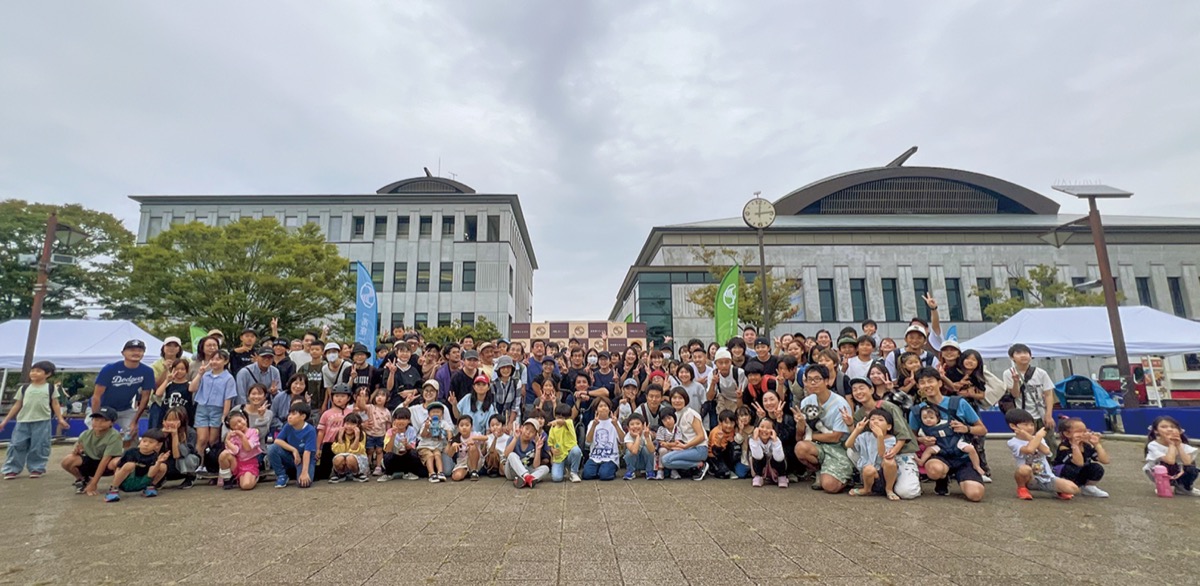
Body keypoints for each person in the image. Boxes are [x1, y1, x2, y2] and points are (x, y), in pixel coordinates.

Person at [908, 367, 988, 501]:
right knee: (934, 470)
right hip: (939, 455)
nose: (927, 385)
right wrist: (921, 440)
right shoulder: (917, 411)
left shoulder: (959, 403)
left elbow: (982, 430)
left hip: (963, 456)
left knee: (975, 495)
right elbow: (911, 437)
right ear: (918, 387)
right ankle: (942, 478)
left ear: (939, 383)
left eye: (930, 381)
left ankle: (964, 475)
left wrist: (966, 429)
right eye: (922, 382)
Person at [842, 377, 921, 499]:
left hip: (900, 452)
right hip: (876, 454)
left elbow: (903, 433)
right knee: (851, 451)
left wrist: (893, 451)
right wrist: (850, 424)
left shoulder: (888, 406)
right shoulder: (859, 414)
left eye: (862, 388)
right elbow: (855, 439)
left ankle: (898, 479)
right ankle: (872, 481)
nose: (858, 392)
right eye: (855, 389)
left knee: (907, 492)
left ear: (871, 390)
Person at [1, 360, 68, 479]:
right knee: (16, 444)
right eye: (32, 370)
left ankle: (37, 468)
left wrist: (60, 419)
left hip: (42, 421)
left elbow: (55, 404)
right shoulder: (24, 388)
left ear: (48, 374)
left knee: (39, 445)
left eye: (38, 371)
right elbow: (17, 405)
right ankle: (12, 469)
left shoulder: (50, 388)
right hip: (23, 421)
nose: (34, 373)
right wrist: (5, 421)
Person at [794, 364, 853, 494]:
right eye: (809, 379)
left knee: (830, 486)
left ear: (827, 381)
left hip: (838, 447)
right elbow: (799, 437)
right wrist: (801, 424)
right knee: (800, 448)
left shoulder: (840, 404)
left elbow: (836, 437)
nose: (812, 383)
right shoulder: (806, 402)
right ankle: (818, 471)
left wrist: (810, 437)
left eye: (817, 379)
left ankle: (849, 474)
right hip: (818, 445)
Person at [92, 339, 157, 448]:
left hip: (124, 409)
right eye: (132, 350)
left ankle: (129, 456)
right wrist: (96, 417)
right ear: (123, 353)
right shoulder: (110, 369)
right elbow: (96, 396)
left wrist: (135, 421)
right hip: (102, 408)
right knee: (97, 433)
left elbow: (145, 397)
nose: (136, 353)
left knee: (131, 432)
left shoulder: (147, 371)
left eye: (139, 350)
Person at [1006, 408, 1078, 500]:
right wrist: (1037, 436)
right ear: (1013, 426)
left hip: (1047, 477)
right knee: (1024, 469)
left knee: (1073, 489)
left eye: (1032, 425)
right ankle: (1022, 488)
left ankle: (1057, 490)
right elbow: (1029, 450)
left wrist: (1033, 437)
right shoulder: (1013, 442)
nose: (1030, 427)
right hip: (1030, 478)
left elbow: (1046, 451)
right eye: (1026, 425)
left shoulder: (1039, 439)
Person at [189, 349, 236, 474]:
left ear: (225, 361)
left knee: (212, 440)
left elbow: (228, 398)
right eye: (213, 359)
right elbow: (192, 388)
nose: (214, 362)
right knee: (201, 439)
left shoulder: (228, 378)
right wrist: (199, 374)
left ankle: (210, 466)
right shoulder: (205, 375)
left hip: (217, 409)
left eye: (218, 359)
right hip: (202, 408)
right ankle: (198, 465)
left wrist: (225, 415)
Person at [914, 405, 987, 482]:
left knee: (970, 448)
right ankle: (921, 461)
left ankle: (976, 466)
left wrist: (960, 427)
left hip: (956, 443)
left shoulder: (947, 422)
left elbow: (957, 427)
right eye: (925, 418)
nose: (928, 420)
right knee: (929, 450)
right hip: (939, 446)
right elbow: (922, 438)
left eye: (931, 418)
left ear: (937, 418)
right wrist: (926, 439)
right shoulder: (923, 429)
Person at [1006, 344, 1057, 451]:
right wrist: (1015, 382)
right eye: (1018, 353)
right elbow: (1015, 395)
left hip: (1041, 415)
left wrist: (1048, 415)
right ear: (1012, 357)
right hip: (1023, 417)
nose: (1023, 355)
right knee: (1028, 444)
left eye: (1026, 353)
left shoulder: (1041, 373)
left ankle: (1051, 462)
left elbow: (1049, 394)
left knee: (1049, 444)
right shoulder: (1009, 373)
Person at [61, 407, 123, 495]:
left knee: (118, 462)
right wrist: (77, 451)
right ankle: (82, 479)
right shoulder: (85, 434)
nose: (99, 423)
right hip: (90, 462)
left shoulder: (114, 436)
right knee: (68, 460)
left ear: (112, 423)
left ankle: (115, 486)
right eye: (96, 420)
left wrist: (94, 483)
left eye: (104, 420)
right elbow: (77, 450)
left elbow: (105, 460)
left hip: (107, 465)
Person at [845, 408, 899, 500]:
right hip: (869, 475)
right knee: (869, 469)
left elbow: (882, 454)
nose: (876, 422)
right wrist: (857, 430)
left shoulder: (891, 439)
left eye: (880, 420)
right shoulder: (865, 436)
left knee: (889, 462)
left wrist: (880, 436)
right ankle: (867, 489)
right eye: (872, 419)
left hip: (885, 475)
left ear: (889, 427)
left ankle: (889, 490)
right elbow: (848, 445)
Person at [105, 429, 168, 502]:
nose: (146, 444)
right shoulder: (131, 452)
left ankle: (150, 487)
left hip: (143, 482)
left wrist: (159, 462)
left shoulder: (155, 456)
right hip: (126, 481)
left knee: (162, 466)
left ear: (158, 445)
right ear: (140, 441)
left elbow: (151, 474)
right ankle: (113, 490)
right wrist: (115, 482)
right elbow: (118, 468)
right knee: (130, 465)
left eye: (151, 442)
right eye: (144, 441)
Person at [1052, 417, 1110, 497]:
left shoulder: (1086, 446)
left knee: (1097, 468)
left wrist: (1097, 444)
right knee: (1072, 469)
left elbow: (1105, 460)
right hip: (1063, 474)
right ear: (1067, 434)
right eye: (1079, 431)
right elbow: (1079, 463)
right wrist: (1075, 445)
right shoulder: (1064, 447)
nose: (1084, 434)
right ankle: (1062, 488)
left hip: (1078, 474)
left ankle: (1088, 487)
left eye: (1085, 431)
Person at [1143, 415, 1199, 496]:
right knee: (1163, 466)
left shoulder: (1183, 446)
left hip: (1179, 473)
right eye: (1164, 427)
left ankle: (1183, 487)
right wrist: (1171, 444)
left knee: (1192, 467)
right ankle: (1162, 485)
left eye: (1173, 427)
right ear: (1156, 431)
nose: (1169, 429)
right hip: (1159, 473)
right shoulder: (1153, 445)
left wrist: (1178, 445)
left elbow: (1188, 463)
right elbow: (1170, 461)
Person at [661, 387, 710, 480]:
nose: (677, 401)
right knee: (666, 460)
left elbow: (701, 436)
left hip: (699, 449)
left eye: (680, 398)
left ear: (685, 399)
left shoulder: (690, 413)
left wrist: (685, 446)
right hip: (688, 448)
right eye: (674, 398)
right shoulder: (675, 415)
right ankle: (697, 466)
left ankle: (700, 465)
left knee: (666, 460)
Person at [269, 402, 316, 488]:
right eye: (289, 414)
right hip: (291, 456)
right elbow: (277, 441)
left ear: (303, 417)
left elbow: (307, 452)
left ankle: (301, 472)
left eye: (294, 414)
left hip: (304, 458)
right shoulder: (288, 426)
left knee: (304, 483)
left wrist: (304, 472)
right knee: (272, 448)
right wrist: (294, 450)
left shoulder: (310, 430)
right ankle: (281, 475)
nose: (289, 416)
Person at [316, 384, 354, 481]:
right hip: (329, 444)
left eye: (342, 396)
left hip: (346, 443)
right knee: (324, 474)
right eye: (336, 396)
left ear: (348, 398)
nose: (339, 399)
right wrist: (318, 448)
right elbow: (321, 432)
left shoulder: (351, 412)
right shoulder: (326, 413)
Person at [217, 411, 261, 490]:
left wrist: (242, 436)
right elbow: (235, 451)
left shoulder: (253, 432)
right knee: (224, 454)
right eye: (235, 425)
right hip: (237, 462)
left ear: (245, 419)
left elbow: (248, 448)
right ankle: (227, 479)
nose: (239, 425)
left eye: (240, 421)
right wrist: (227, 440)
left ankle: (253, 477)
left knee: (246, 486)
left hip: (250, 463)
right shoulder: (233, 436)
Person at [583, 398, 622, 481]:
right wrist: (594, 426)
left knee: (605, 475)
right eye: (600, 406)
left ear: (609, 409)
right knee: (586, 475)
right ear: (596, 410)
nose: (603, 408)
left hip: (611, 458)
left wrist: (616, 425)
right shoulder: (592, 423)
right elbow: (588, 442)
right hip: (594, 457)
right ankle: (599, 470)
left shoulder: (614, 422)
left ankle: (606, 470)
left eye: (605, 406)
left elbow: (622, 440)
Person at [504, 418, 550, 488]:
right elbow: (507, 455)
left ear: (535, 435)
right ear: (522, 428)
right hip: (511, 472)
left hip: (527, 469)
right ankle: (527, 477)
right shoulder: (513, 438)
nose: (528, 432)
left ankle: (525, 480)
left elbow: (535, 466)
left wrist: (538, 449)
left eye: (532, 431)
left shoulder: (533, 444)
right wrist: (515, 438)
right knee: (512, 455)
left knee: (545, 468)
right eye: (526, 429)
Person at [378, 407, 422, 481]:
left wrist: (406, 445)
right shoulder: (390, 431)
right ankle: (388, 474)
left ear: (408, 420)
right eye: (398, 419)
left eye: (404, 419)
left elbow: (413, 447)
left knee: (413, 453)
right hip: (394, 456)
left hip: (406, 456)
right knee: (387, 456)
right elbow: (387, 450)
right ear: (394, 420)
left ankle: (408, 473)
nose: (401, 421)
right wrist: (393, 435)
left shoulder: (411, 430)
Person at [707, 348, 745, 429]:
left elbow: (742, 397)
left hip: (738, 400)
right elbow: (709, 397)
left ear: (731, 362)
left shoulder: (739, 373)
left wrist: (739, 398)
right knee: (723, 426)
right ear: (716, 363)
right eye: (720, 363)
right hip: (723, 399)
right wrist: (713, 383)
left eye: (727, 362)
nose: (724, 365)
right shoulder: (713, 374)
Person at [329, 413, 369, 483]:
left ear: (358, 425)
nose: (349, 426)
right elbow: (337, 451)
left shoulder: (362, 434)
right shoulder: (340, 433)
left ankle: (356, 474)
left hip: (357, 457)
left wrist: (357, 437)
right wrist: (340, 437)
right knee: (338, 459)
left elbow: (355, 450)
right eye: (347, 424)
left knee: (350, 458)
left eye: (352, 424)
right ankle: (341, 474)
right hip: (343, 456)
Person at [418, 401, 452, 483]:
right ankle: (431, 473)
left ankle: (440, 472)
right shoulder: (426, 423)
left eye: (438, 412)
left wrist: (448, 441)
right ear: (429, 414)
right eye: (433, 412)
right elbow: (422, 435)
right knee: (430, 456)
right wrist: (426, 428)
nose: (435, 414)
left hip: (437, 447)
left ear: (442, 414)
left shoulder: (443, 423)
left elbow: (449, 431)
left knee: (437, 455)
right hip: (425, 446)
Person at [548, 403, 582, 483]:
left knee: (576, 450)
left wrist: (556, 421)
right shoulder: (553, 428)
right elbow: (550, 442)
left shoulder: (569, 423)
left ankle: (574, 472)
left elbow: (563, 422)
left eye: (564, 417)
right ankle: (563, 470)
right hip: (559, 456)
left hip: (570, 453)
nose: (561, 419)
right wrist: (552, 450)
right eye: (558, 416)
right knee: (556, 478)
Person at [155, 358, 194, 426]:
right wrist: (167, 380)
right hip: (167, 417)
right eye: (176, 369)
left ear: (187, 370)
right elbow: (158, 393)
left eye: (182, 369)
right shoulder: (168, 385)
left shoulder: (190, 385)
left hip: (184, 418)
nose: (179, 371)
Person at [750, 417, 787, 488]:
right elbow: (758, 456)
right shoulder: (753, 439)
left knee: (779, 458)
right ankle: (758, 476)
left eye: (768, 428)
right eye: (762, 427)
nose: (764, 430)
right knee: (757, 458)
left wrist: (775, 442)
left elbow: (779, 458)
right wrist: (755, 440)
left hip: (774, 465)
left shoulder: (776, 440)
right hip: (762, 464)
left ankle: (782, 476)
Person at [447, 415, 486, 481]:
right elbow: (449, 455)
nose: (464, 427)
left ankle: (474, 471)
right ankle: (467, 472)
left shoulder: (475, 434)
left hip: (476, 461)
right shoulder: (456, 439)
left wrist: (473, 438)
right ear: (458, 427)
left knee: (472, 446)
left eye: (467, 425)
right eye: (461, 425)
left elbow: (486, 438)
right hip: (463, 462)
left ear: (471, 426)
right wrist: (453, 447)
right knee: (456, 477)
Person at [363, 390, 390, 476]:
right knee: (369, 450)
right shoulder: (371, 407)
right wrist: (363, 396)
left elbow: (388, 424)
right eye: (377, 395)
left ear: (387, 399)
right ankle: (367, 466)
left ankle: (378, 467)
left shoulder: (387, 411)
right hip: (370, 433)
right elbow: (361, 405)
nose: (379, 397)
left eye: (383, 395)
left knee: (379, 450)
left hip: (381, 434)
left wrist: (387, 435)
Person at [707, 410, 739, 479]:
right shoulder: (716, 432)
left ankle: (729, 467)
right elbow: (715, 451)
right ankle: (712, 467)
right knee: (724, 474)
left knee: (736, 447)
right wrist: (719, 439)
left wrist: (732, 441)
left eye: (732, 423)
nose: (729, 426)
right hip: (714, 455)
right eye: (726, 423)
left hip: (725, 452)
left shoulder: (733, 430)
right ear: (720, 423)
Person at [321, 343, 353, 412]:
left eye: (334, 352)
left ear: (339, 353)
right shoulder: (325, 368)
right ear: (325, 355)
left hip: (347, 397)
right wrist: (333, 403)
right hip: (335, 396)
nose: (331, 354)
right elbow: (329, 387)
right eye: (329, 352)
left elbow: (350, 385)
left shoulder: (347, 366)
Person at [623, 413, 655, 481]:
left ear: (643, 426)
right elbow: (634, 451)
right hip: (635, 462)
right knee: (629, 452)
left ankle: (649, 471)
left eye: (638, 424)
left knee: (646, 449)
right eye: (632, 424)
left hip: (644, 461)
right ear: (628, 427)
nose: (635, 426)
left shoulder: (646, 434)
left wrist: (647, 437)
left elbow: (652, 450)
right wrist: (637, 437)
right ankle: (630, 471)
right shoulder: (628, 436)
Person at [490, 356, 521, 426]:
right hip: (497, 417)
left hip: (513, 417)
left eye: (508, 367)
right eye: (503, 367)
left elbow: (516, 405)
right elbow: (493, 405)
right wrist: (500, 423)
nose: (506, 370)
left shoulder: (517, 383)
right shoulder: (493, 384)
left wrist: (510, 423)